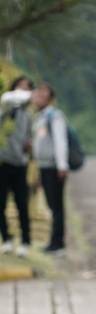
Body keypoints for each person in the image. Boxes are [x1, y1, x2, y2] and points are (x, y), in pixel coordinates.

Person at [30, 82, 68, 253]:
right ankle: (54, 241)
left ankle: (58, 243)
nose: (38, 96)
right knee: (52, 206)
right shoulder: (40, 117)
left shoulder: (54, 115)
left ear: (50, 98)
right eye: (37, 93)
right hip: (44, 167)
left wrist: (62, 165)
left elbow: (60, 141)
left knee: (56, 206)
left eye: (43, 94)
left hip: (54, 168)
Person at [0, 76, 34, 257]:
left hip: (20, 164)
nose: (24, 92)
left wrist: (28, 146)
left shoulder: (27, 116)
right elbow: (9, 98)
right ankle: (5, 239)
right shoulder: (4, 106)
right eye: (21, 88)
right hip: (3, 163)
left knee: (22, 204)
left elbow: (29, 139)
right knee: (1, 204)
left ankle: (25, 242)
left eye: (27, 88)